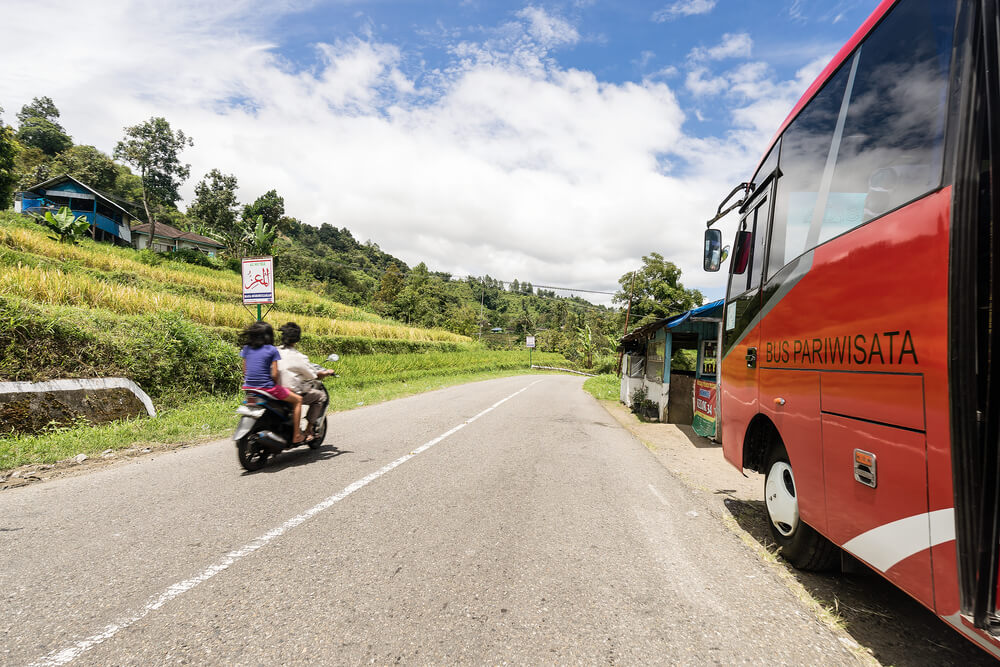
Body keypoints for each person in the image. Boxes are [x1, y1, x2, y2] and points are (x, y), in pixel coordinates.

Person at [239, 321, 304, 444]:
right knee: (298, 400)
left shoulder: (246, 349)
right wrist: (274, 383)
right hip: (267, 388)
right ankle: (296, 435)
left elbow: (245, 371)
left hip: (249, 389)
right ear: (269, 336)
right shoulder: (271, 350)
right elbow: (274, 375)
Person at [277, 322, 334, 442]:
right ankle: (308, 430)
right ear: (297, 339)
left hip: (275, 391)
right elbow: (313, 375)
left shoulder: (275, 351)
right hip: (292, 392)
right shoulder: (298, 357)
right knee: (320, 397)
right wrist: (326, 373)